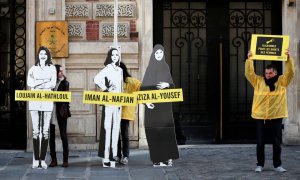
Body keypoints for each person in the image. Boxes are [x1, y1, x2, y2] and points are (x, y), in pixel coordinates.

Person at [245, 49, 294, 173]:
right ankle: (259, 164)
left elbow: (290, 73)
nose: (268, 75)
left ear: (276, 73)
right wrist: (249, 59)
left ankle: (277, 165)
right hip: (260, 116)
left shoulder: (282, 81)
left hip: (276, 116)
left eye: (270, 73)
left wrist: (288, 59)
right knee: (260, 142)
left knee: (276, 142)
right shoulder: (258, 81)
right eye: (266, 73)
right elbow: (249, 73)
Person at [141, 44, 179, 167]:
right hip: (153, 107)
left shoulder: (165, 67)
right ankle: (157, 159)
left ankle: (167, 158)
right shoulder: (150, 68)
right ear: (154, 54)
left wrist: (167, 85)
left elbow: (172, 85)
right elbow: (143, 89)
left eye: (161, 53)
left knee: (166, 131)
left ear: (163, 55)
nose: (159, 55)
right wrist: (146, 102)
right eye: (157, 53)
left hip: (164, 107)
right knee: (155, 131)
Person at [27, 46, 57, 169]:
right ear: (38, 55)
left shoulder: (52, 68)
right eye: (41, 53)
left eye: (45, 53)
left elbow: (53, 83)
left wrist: (38, 83)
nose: (43, 55)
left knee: (45, 131)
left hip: (47, 101)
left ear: (48, 56)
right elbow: (30, 83)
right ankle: (35, 159)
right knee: (35, 131)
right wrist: (44, 82)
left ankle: (42, 159)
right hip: (34, 100)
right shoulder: (33, 69)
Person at [94, 48, 123, 168]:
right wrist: (105, 89)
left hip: (118, 102)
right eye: (113, 55)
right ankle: (106, 157)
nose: (115, 56)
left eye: (117, 55)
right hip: (109, 101)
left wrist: (121, 101)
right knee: (107, 129)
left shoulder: (120, 70)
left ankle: (114, 155)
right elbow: (96, 79)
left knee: (116, 129)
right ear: (110, 56)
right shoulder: (107, 68)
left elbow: (121, 87)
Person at [117, 62, 141, 165]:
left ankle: (125, 156)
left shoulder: (130, 81)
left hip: (125, 113)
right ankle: (117, 155)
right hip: (114, 112)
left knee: (125, 135)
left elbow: (141, 87)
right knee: (115, 136)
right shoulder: (112, 81)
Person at [49, 64, 71, 168]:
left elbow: (65, 98)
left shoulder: (65, 83)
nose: (61, 72)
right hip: (51, 111)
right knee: (51, 136)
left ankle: (65, 160)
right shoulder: (50, 83)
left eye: (62, 71)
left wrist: (53, 96)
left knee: (63, 135)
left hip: (61, 111)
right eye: (59, 71)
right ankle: (53, 159)